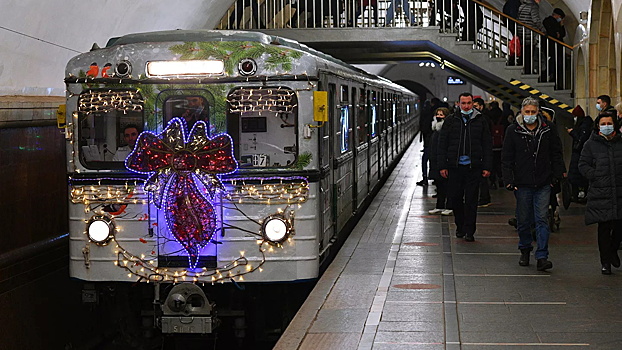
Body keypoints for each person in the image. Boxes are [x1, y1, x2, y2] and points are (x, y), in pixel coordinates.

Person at [502, 97, 566, 271]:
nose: (530, 115)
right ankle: (525, 248)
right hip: (522, 183)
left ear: (538, 112)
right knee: (523, 220)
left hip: (543, 182)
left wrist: (557, 175)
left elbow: (556, 152)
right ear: (521, 112)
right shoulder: (513, 131)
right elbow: (506, 157)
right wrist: (508, 180)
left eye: (533, 112)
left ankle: (542, 256)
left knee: (542, 219)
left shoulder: (548, 129)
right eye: (527, 112)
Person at [438, 92, 493, 242]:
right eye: (464, 103)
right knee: (455, 198)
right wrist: (442, 165)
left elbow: (487, 144)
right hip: (454, 167)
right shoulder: (451, 120)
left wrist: (487, 165)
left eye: (469, 103)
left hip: (473, 167)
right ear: (459, 104)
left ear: (472, 104)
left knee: (471, 199)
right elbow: (442, 145)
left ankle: (469, 230)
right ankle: (460, 225)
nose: (466, 106)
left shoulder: (481, 120)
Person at [578, 112, 622, 275]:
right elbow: (582, 164)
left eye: (609, 123)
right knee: (604, 227)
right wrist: (594, 175)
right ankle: (605, 261)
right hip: (600, 191)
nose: (606, 126)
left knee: (619, 227)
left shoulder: (620, 142)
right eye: (602, 123)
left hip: (619, 190)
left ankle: (612, 250)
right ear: (598, 126)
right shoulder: (591, 144)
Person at [428, 107, 453, 216]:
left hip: (443, 161)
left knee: (447, 186)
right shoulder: (436, 130)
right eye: (437, 114)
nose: (438, 117)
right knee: (439, 185)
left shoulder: (447, 130)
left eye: (441, 115)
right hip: (435, 161)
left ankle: (450, 206)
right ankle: (440, 206)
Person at [566, 105, 592, 203]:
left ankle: (578, 195)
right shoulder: (583, 125)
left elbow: (581, 139)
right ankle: (576, 195)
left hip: (579, 154)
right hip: (578, 154)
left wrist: (572, 132)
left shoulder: (584, 125)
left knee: (578, 176)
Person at [517, 0, 546, 75]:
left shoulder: (522, 6)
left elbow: (518, 19)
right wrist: (543, 30)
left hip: (522, 32)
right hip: (530, 32)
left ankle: (524, 69)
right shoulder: (534, 7)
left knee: (525, 52)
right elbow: (536, 20)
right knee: (530, 53)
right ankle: (528, 71)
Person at [473, 98, 492, 207]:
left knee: (482, 178)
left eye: (475, 106)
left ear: (481, 106)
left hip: (481, 153)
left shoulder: (483, 119)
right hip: (479, 152)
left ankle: (484, 198)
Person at [542, 8, 566, 86]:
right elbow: (555, 34)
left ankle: (551, 79)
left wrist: (561, 28)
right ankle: (546, 77)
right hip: (551, 46)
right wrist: (557, 34)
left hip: (554, 47)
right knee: (553, 64)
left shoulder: (555, 23)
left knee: (554, 64)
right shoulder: (548, 21)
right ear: (557, 15)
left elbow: (562, 34)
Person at [487, 101, 506, 188]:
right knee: (500, 163)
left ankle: (493, 181)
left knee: (492, 164)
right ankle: (501, 179)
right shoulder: (503, 115)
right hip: (502, 144)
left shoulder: (488, 116)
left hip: (491, 144)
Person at [418, 99, 435, 186]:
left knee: (425, 160)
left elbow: (423, 128)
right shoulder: (433, 117)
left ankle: (425, 178)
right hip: (431, 143)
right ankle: (433, 177)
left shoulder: (425, 113)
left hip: (429, 143)